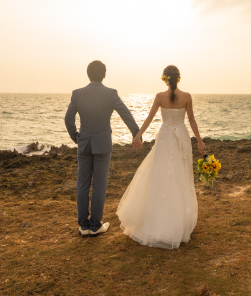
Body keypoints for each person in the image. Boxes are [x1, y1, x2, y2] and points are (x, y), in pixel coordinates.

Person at [117, 64, 205, 249]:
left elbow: (149, 118)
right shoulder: (187, 96)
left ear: (165, 79)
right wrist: (199, 141)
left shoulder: (159, 96)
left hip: (165, 137)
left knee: (160, 174)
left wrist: (138, 135)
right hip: (181, 136)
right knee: (180, 175)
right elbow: (191, 120)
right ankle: (178, 222)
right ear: (178, 78)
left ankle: (159, 221)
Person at [64, 60, 140, 236]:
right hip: (103, 145)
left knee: (82, 184)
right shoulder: (111, 93)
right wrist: (136, 135)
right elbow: (126, 115)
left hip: (84, 144)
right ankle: (95, 225)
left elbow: (68, 119)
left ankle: (84, 226)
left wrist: (77, 138)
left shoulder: (77, 94)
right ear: (104, 75)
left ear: (88, 74)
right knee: (99, 185)